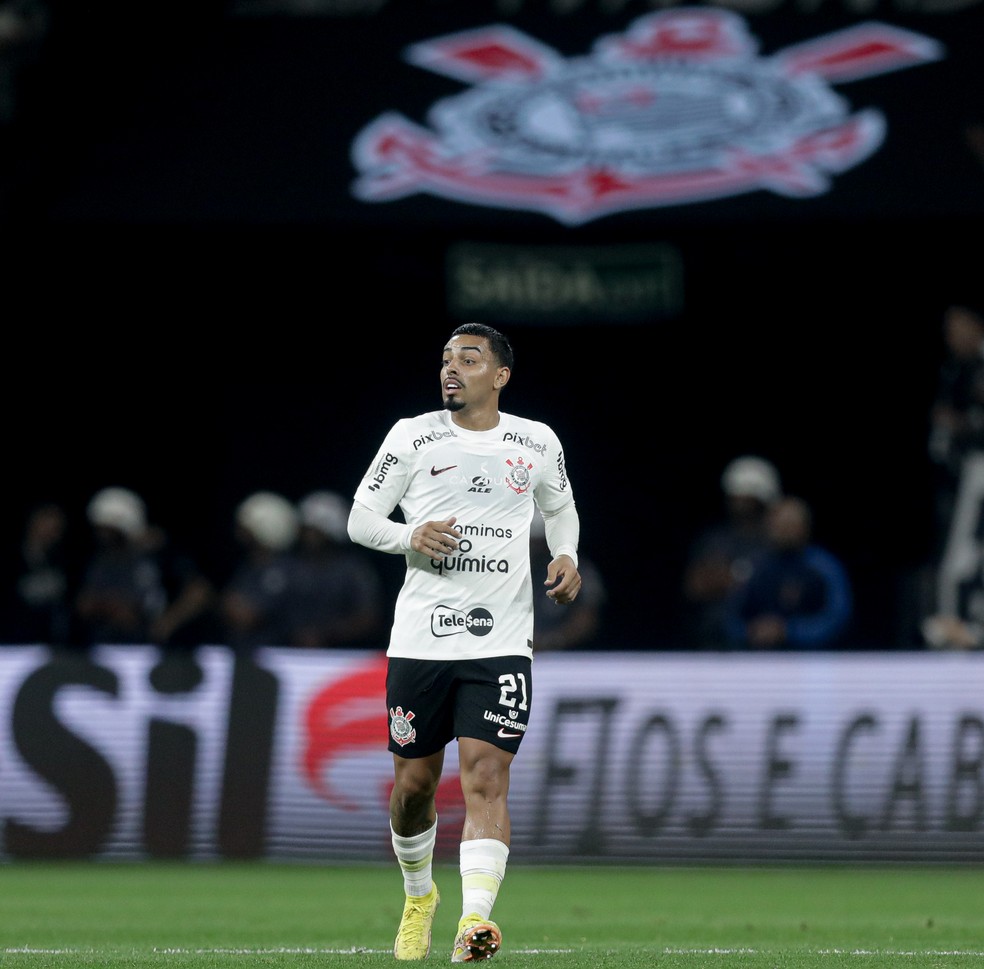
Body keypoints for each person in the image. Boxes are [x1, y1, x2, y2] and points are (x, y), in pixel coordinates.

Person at [347, 322, 582, 962]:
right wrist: (409, 536)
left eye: (468, 359)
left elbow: (559, 507)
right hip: (421, 640)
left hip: (501, 639)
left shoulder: (536, 441)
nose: (451, 368)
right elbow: (361, 518)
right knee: (414, 787)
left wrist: (565, 554)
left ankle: (474, 921)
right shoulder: (411, 435)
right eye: (447, 359)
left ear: (500, 375)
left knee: (486, 775)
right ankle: (419, 896)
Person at [74, 486, 217, 650]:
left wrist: (167, 623)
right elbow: (84, 604)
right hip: (104, 647)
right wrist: (106, 607)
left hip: (152, 650)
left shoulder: (159, 554)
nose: (102, 536)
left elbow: (200, 591)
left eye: (109, 530)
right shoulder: (102, 559)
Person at [721, 495, 853, 650]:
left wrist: (789, 631)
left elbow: (838, 617)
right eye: (779, 524)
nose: (784, 530)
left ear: (805, 527)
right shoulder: (754, 567)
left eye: (790, 524)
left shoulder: (824, 567)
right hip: (758, 657)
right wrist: (750, 631)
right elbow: (730, 616)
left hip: (813, 658)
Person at [681, 455, 782, 649]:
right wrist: (738, 577)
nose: (740, 501)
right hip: (715, 641)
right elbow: (695, 587)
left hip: (769, 645)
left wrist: (734, 577)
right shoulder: (714, 540)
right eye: (737, 494)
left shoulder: (777, 542)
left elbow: (780, 587)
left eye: (748, 495)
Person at [284, 489, 386, 649]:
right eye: (306, 529)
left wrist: (325, 635)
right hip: (287, 652)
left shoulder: (353, 570)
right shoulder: (290, 566)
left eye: (314, 530)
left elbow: (368, 618)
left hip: (342, 655)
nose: (308, 536)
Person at [217, 490, 299, 652]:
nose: (239, 533)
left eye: (246, 528)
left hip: (271, 657)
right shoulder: (249, 565)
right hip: (242, 654)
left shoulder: (281, 570)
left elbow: (246, 617)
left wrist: (214, 599)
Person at [0, 500, 76, 647]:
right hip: (13, 644)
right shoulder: (9, 561)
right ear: (34, 523)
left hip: (51, 644)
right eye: (49, 526)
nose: (54, 534)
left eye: (57, 529)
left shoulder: (62, 562)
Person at [529, 510, 605, 650]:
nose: (535, 546)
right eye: (531, 540)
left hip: (568, 656)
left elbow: (588, 617)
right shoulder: (510, 569)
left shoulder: (578, 568)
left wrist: (551, 642)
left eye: (540, 540)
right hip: (518, 651)